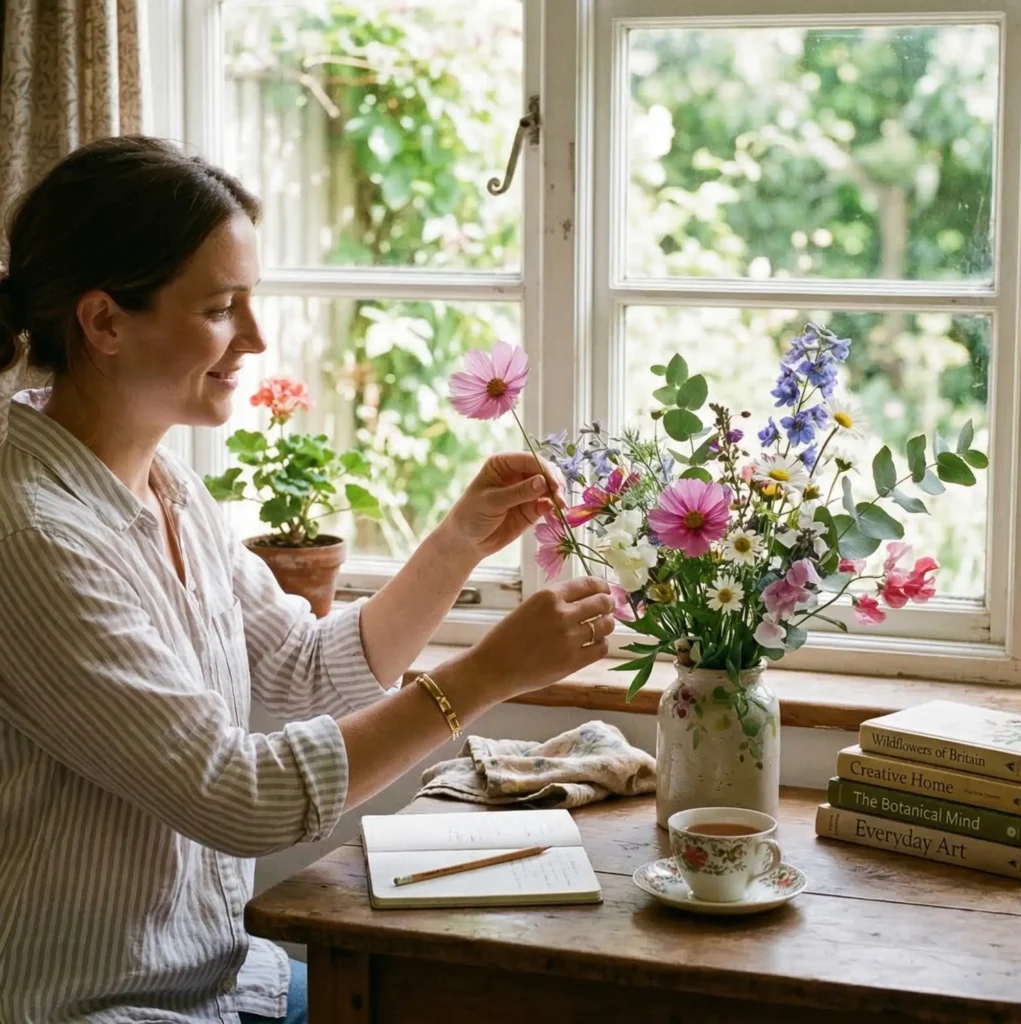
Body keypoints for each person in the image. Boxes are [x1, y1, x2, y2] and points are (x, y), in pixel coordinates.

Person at [0, 136, 615, 1024]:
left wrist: (457, 543)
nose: (256, 338)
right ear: (104, 323)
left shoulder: (170, 490)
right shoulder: (33, 538)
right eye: (222, 308)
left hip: (221, 982)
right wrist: (486, 676)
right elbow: (240, 798)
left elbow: (304, 668)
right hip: (99, 1007)